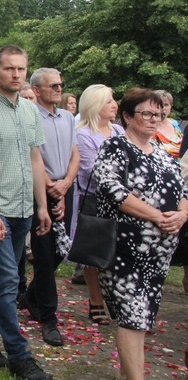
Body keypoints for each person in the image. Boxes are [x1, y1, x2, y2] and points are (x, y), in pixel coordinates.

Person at [0, 45, 52, 380]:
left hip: (23, 208)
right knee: (8, 282)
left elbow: (35, 160)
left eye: (21, 69)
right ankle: (19, 356)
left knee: (2, 281)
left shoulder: (31, 112)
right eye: (9, 69)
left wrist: (42, 206)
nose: (16, 75)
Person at [94, 88, 188, 380]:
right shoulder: (116, 147)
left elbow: (184, 187)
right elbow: (112, 189)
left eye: (159, 114)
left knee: (142, 318)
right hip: (125, 250)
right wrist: (157, 216)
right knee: (132, 318)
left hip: (158, 253)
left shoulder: (160, 152)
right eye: (146, 113)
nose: (154, 119)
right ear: (127, 116)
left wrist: (183, 214)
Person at [22, 68, 79, 347]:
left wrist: (66, 184)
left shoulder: (68, 117)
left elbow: (75, 154)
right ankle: (48, 318)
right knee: (44, 254)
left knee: (61, 250)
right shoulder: (30, 116)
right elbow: (31, 157)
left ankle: (31, 295)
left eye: (60, 85)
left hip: (64, 189)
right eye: (53, 85)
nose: (59, 89)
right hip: (38, 191)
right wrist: (50, 185)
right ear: (37, 89)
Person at [73, 84, 122, 324]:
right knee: (93, 254)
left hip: (122, 201)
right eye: (108, 101)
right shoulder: (83, 135)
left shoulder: (119, 131)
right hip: (94, 199)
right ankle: (95, 299)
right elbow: (91, 170)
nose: (114, 105)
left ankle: (115, 297)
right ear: (94, 106)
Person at [152, 90, 182, 159]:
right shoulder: (149, 127)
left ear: (171, 106)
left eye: (166, 105)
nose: (163, 108)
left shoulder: (174, 123)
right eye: (159, 105)